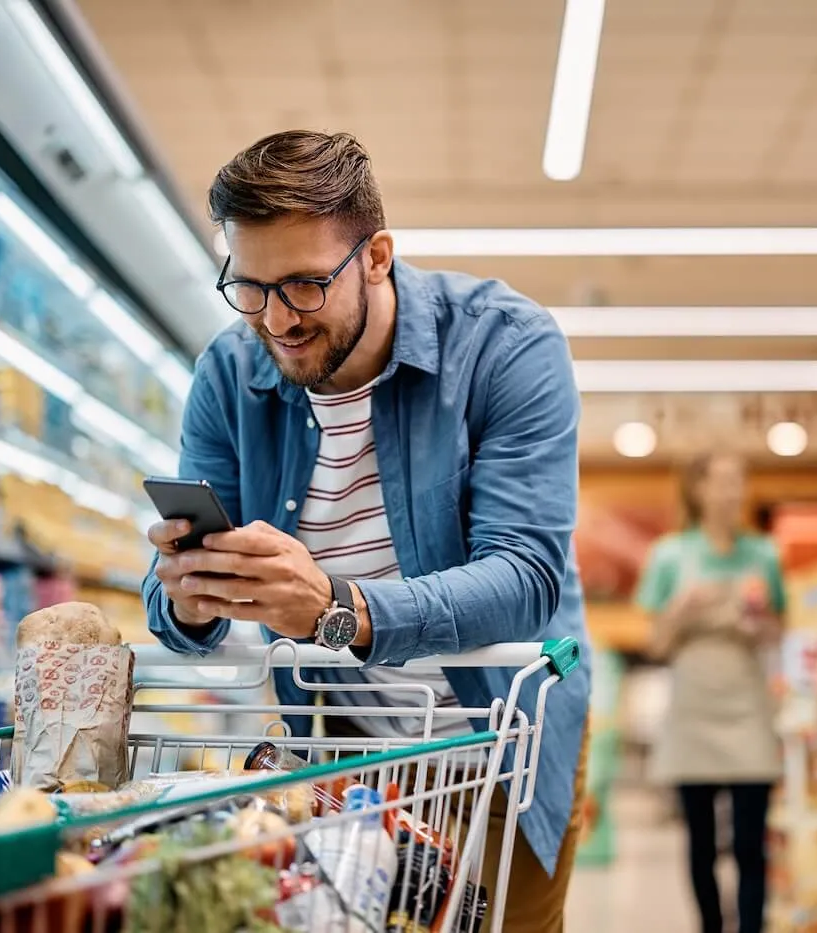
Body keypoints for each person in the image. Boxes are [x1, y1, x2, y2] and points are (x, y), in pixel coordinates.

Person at [140, 130, 591, 933]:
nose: (277, 318)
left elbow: (526, 578)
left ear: (377, 256)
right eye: (250, 287)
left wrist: (337, 608)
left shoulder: (506, 345)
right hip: (340, 758)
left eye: (306, 284)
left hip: (499, 749)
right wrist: (194, 593)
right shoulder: (227, 375)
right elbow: (171, 604)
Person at [635, 453, 786, 933]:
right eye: (723, 483)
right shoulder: (669, 556)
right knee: (699, 840)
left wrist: (754, 622)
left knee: (749, 843)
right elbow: (655, 642)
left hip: (747, 706)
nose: (733, 493)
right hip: (692, 709)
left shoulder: (763, 554)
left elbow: (779, 630)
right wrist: (682, 609)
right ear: (698, 490)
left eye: (739, 482)